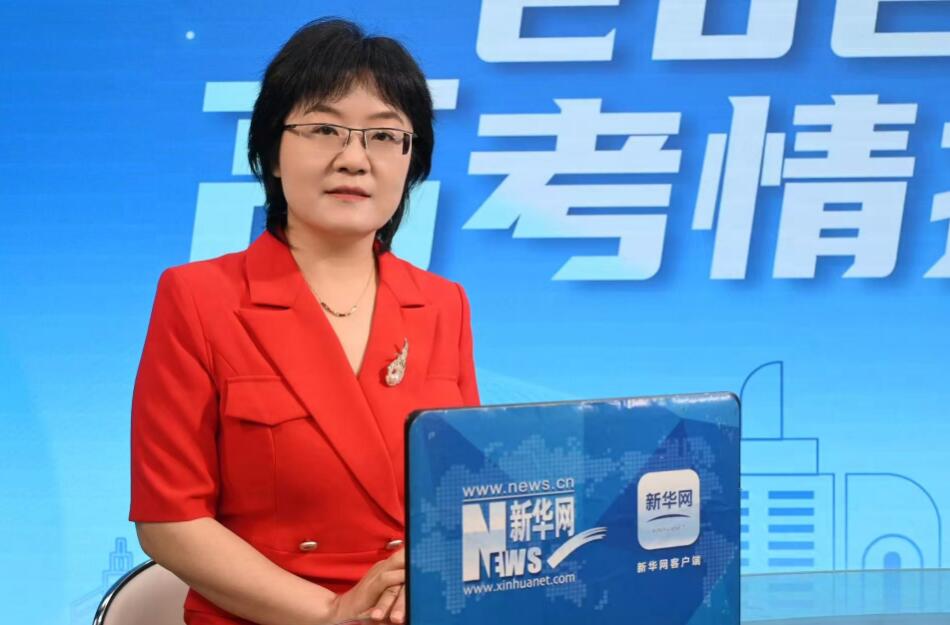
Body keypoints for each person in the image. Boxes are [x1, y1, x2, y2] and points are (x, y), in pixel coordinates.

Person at [129, 18, 479, 625]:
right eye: (323, 129)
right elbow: (169, 519)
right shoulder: (198, 298)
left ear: (411, 160)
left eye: (384, 135)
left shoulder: (443, 303)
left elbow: (465, 496)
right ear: (271, 151)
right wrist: (331, 613)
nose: (354, 159)